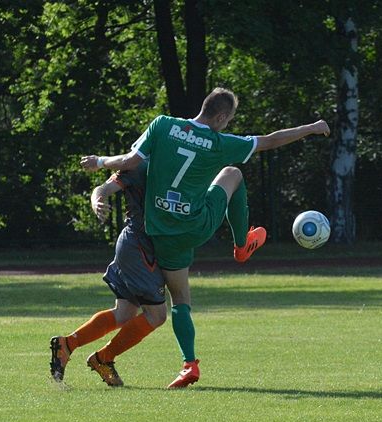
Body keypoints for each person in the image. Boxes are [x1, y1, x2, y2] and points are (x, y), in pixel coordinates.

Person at [81, 87, 330, 388]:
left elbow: (131, 161)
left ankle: (189, 364)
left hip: (160, 230)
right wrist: (312, 128)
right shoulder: (218, 142)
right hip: (196, 224)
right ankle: (241, 245)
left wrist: (100, 162)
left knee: (178, 299)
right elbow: (270, 140)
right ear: (222, 116)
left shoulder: (163, 125)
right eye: (228, 120)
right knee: (233, 174)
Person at [49, 159, 166, 387]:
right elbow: (102, 188)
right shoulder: (140, 164)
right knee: (156, 315)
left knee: (124, 313)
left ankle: (68, 344)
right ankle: (104, 358)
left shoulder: (176, 162)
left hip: (138, 245)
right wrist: (97, 201)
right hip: (138, 247)